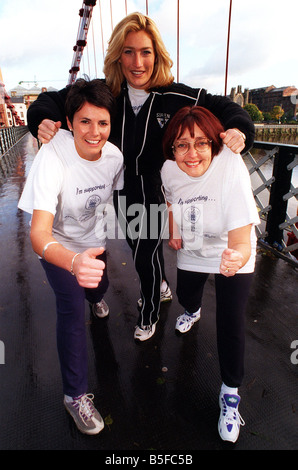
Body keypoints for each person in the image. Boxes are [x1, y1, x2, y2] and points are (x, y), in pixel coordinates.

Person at [27, 12, 255, 342]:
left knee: (144, 254)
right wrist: (43, 119)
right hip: (117, 187)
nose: (138, 62)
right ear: (118, 55)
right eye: (129, 51)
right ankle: (161, 286)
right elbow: (52, 100)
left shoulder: (174, 94)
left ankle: (148, 313)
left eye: (146, 52)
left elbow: (223, 107)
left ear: (157, 55)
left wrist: (240, 129)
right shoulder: (105, 91)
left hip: (152, 187)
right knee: (139, 247)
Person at [18, 78, 124, 435]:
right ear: (69, 121)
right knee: (71, 309)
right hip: (60, 247)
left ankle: (96, 296)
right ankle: (75, 395)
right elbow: (38, 234)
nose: (94, 132)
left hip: (94, 242)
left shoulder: (115, 157)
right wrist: (73, 261)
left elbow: (110, 199)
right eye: (85, 122)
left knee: (99, 286)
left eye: (103, 123)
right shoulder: (52, 157)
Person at [161, 105, 260, 443]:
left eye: (201, 143)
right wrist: (172, 227)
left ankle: (230, 393)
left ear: (215, 144)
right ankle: (193, 310)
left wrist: (237, 257)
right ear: (172, 148)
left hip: (232, 248)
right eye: (182, 144)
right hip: (191, 246)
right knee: (187, 295)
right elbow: (171, 200)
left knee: (230, 321)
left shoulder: (230, 165)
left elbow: (241, 239)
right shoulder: (169, 169)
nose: (192, 154)